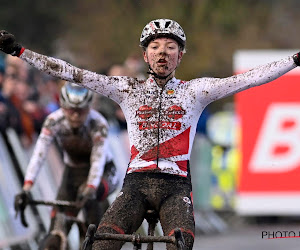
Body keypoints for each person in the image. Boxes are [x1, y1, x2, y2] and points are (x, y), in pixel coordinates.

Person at [1, 18, 299, 249]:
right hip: (135, 186)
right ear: (145, 55)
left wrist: (295, 60)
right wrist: (20, 52)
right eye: (155, 48)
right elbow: (70, 72)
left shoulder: (196, 91)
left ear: (180, 56)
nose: (162, 54)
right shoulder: (127, 89)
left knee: (182, 242)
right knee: (100, 243)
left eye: (170, 48)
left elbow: (252, 79)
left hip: (176, 187)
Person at [14, 82, 119, 247]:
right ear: (62, 106)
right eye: (71, 110)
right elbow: (39, 155)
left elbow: (97, 160)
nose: (76, 116)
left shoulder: (98, 123)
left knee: (92, 222)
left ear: (89, 108)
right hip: (73, 173)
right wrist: (26, 188)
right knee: (55, 233)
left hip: (104, 172)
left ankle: (97, 236)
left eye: (81, 111)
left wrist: (91, 187)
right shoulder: (53, 121)